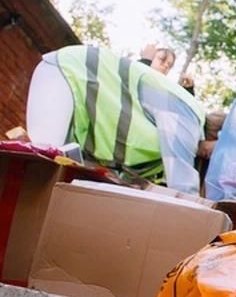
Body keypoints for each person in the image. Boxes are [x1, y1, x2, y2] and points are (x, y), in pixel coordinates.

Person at [26, 45, 207, 195]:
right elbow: (184, 190)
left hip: (85, 126)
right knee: (43, 166)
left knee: (65, 183)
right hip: (66, 72)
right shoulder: (187, 113)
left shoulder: (162, 145)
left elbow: (130, 181)